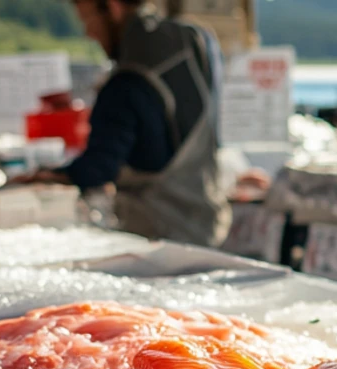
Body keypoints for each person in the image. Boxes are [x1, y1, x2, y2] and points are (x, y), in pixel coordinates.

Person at [35, 0, 231, 248]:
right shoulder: (194, 39)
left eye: (87, 20)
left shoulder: (126, 82)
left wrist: (47, 176)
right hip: (210, 222)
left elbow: (97, 169)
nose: (88, 33)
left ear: (113, 7)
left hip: (158, 238)